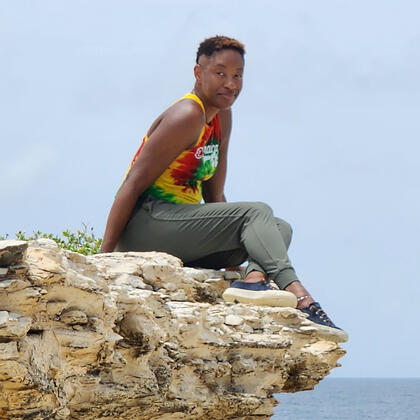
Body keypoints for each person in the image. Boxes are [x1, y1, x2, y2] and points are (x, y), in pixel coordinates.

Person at [100, 35, 346, 338]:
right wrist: (103, 259)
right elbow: (131, 185)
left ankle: (253, 281)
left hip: (180, 232)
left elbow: (214, 196)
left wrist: (231, 244)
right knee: (257, 212)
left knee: (277, 228)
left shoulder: (222, 118)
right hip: (147, 223)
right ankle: (299, 294)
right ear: (198, 73)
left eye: (237, 76)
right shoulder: (187, 115)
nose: (230, 84)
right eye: (220, 73)